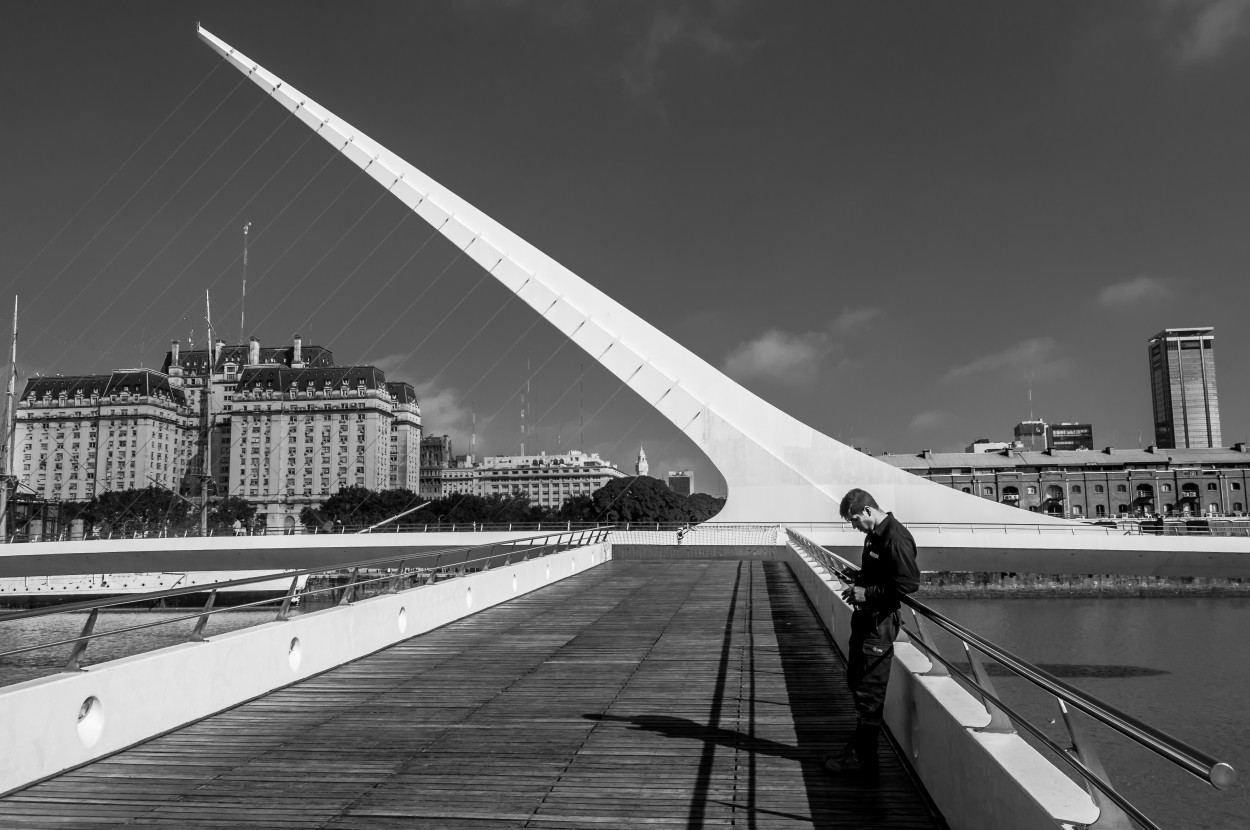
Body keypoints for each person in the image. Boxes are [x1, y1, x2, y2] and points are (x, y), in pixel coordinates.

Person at [825, 488, 920, 777]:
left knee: (869, 693)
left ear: (868, 511)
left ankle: (864, 759)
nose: (854, 526)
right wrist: (859, 581)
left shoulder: (895, 536)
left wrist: (868, 593)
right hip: (867, 623)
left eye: (854, 519)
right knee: (857, 682)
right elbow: (883, 575)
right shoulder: (874, 535)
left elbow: (907, 584)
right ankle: (859, 749)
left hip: (879, 626)